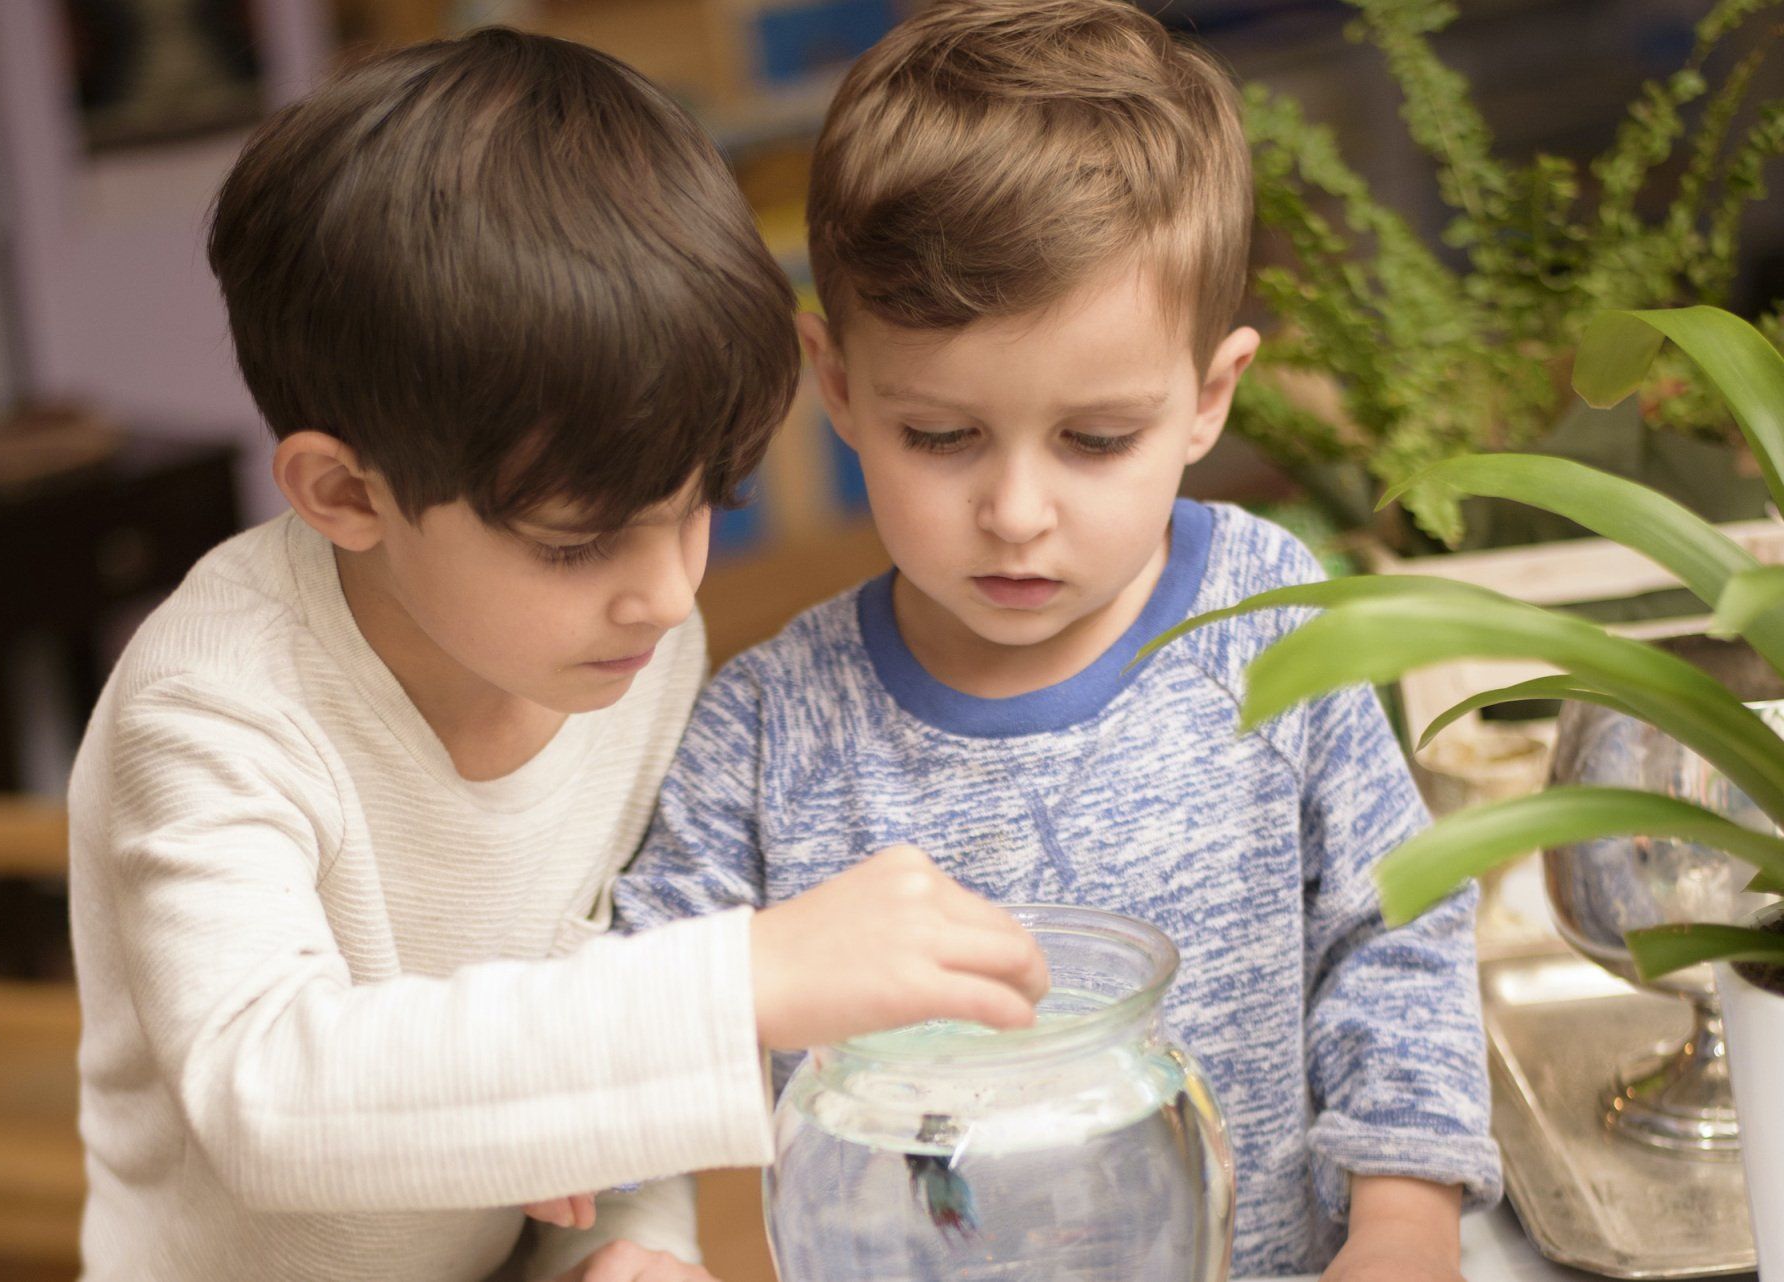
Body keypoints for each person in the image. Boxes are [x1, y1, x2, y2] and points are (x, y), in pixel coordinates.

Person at [66, 27, 1047, 1282]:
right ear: (345, 494)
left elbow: (588, 1012)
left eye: (706, 504)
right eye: (579, 544)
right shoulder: (212, 711)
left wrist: (638, 1235)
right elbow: (268, 1093)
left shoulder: (628, 656)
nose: (668, 591)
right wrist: (747, 974)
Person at [614, 2, 1501, 1277]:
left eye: (1094, 441)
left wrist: (1406, 1214)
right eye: (941, 436)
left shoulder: (1271, 619)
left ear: (1209, 396)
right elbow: (644, 999)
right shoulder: (768, 722)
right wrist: (626, 1226)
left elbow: (1395, 930)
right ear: (841, 384)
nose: (1018, 515)